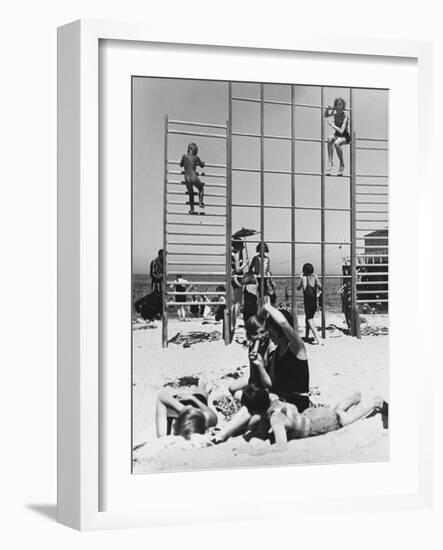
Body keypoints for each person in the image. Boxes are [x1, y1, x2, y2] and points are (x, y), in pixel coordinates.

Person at [241, 384, 388, 451]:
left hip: (319, 423)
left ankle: (375, 402)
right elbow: (293, 409)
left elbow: (282, 447)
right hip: (310, 414)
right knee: (335, 411)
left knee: (344, 419)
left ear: (255, 409)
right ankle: (352, 399)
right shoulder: (274, 400)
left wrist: (261, 450)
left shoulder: (276, 419)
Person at [297, 263, 323, 345]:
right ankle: (307, 336)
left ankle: (319, 339)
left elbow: (298, 288)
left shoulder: (304, 278)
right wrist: (318, 294)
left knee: (310, 320)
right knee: (308, 318)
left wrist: (300, 278)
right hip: (314, 302)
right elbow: (321, 287)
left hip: (308, 303)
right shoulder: (315, 278)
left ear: (304, 271)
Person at [325, 97, 351, 176]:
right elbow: (326, 115)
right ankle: (330, 161)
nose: (339, 107)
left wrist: (332, 124)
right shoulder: (335, 114)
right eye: (337, 105)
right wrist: (327, 109)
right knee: (329, 138)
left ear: (343, 107)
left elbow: (341, 131)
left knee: (336, 143)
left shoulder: (345, 117)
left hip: (345, 136)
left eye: (340, 105)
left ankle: (342, 164)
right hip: (337, 134)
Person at [180, 142, 205, 214]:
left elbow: (181, 165)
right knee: (201, 188)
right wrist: (202, 163)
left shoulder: (184, 156)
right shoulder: (196, 157)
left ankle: (192, 209)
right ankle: (200, 202)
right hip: (193, 176)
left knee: (191, 193)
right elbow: (202, 165)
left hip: (187, 178)